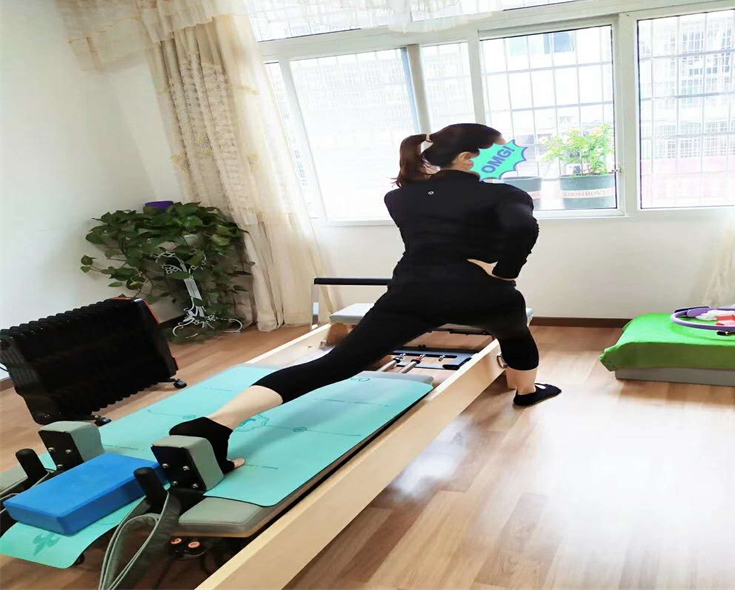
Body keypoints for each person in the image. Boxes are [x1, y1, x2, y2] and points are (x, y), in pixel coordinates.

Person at [171, 123, 562, 473]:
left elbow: (441, 225)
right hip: (482, 293)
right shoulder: (504, 194)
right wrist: (505, 271)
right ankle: (526, 392)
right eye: (495, 151)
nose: (502, 158)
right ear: (465, 157)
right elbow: (523, 228)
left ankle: (214, 424)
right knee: (515, 332)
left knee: (337, 362)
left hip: (412, 292)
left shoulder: (400, 198)